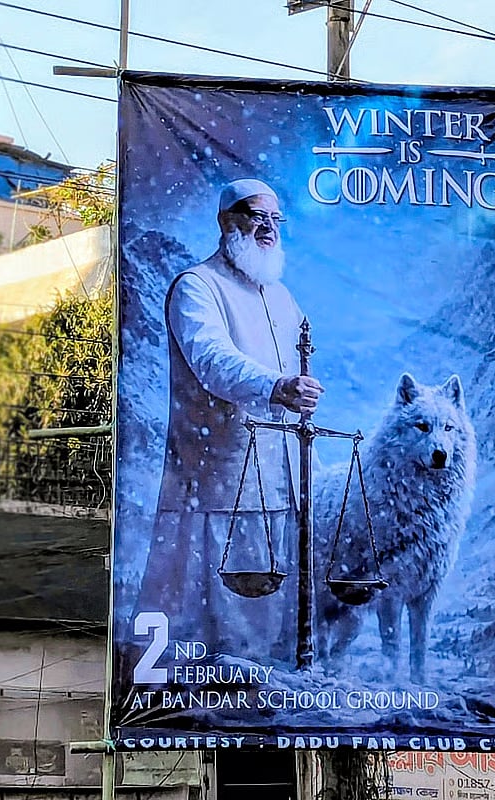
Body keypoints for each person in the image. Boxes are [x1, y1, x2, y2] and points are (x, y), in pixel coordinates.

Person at [141, 179, 323, 667]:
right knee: (219, 622)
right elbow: (213, 361)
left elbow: (299, 370)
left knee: (275, 619)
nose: (268, 228)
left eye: (276, 219)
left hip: (282, 484)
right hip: (219, 484)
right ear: (227, 221)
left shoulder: (282, 298)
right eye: (256, 215)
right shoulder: (196, 287)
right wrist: (276, 386)